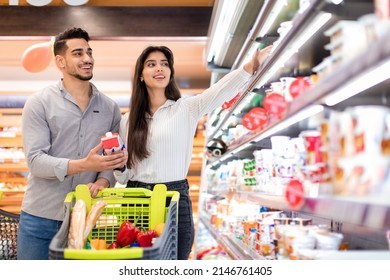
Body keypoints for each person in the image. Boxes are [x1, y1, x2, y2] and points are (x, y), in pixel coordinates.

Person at [114, 45, 273, 260]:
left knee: (177, 260)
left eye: (164, 64)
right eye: (151, 64)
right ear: (141, 76)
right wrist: (117, 163)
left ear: (170, 73)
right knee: (138, 263)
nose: (159, 68)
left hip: (175, 198)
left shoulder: (186, 108)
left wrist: (251, 65)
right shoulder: (128, 121)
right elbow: (124, 176)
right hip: (137, 198)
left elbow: (219, 91)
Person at [17, 27, 128, 260]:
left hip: (85, 216)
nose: (87, 59)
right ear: (60, 61)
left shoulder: (109, 107)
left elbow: (111, 156)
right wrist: (84, 165)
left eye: (89, 52)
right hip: (40, 218)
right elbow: (36, 161)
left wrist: (103, 178)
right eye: (78, 53)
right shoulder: (39, 103)